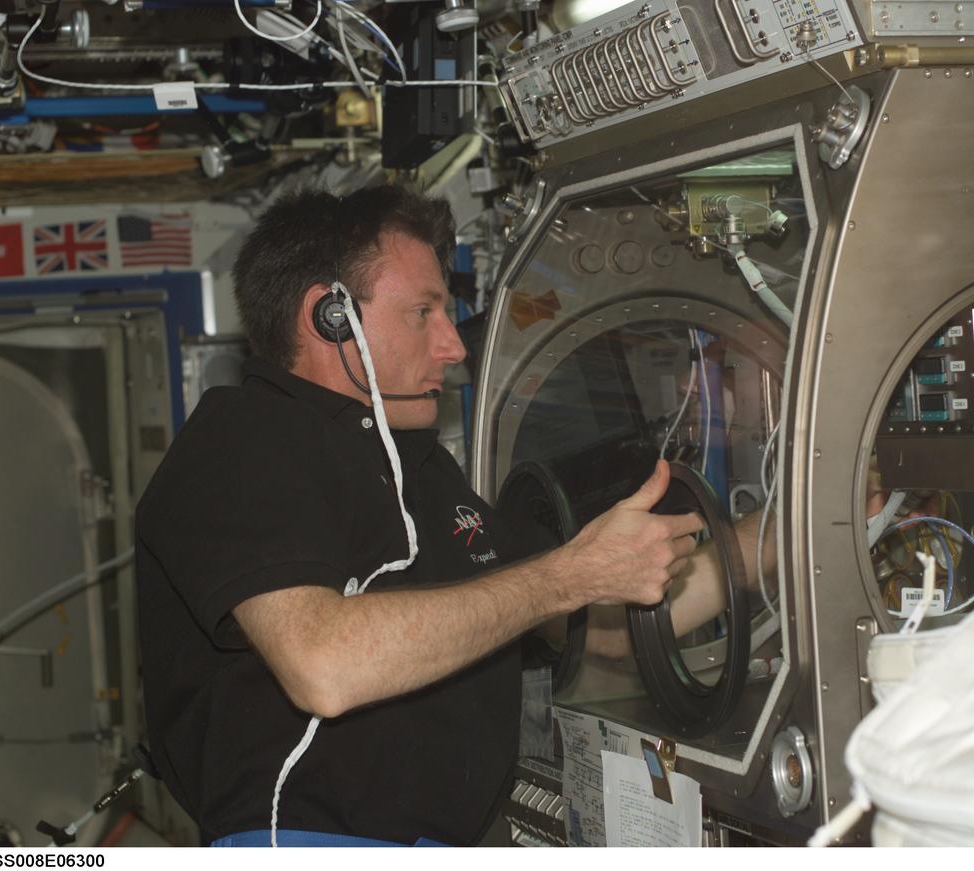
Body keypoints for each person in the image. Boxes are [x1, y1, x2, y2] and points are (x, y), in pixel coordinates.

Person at [134, 185, 710, 847]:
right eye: (422, 312)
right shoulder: (243, 442)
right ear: (331, 318)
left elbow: (596, 627)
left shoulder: (423, 470)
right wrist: (569, 575)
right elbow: (324, 664)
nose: (452, 346)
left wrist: (770, 550)